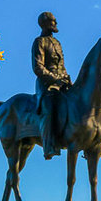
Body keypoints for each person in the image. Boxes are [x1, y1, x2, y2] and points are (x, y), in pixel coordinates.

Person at [32, 11, 71, 159]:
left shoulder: (57, 43)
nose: (56, 23)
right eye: (53, 21)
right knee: (48, 109)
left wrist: (67, 79)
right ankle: (49, 146)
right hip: (46, 85)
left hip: (62, 82)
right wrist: (54, 79)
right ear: (45, 23)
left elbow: (61, 65)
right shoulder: (39, 42)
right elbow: (38, 67)